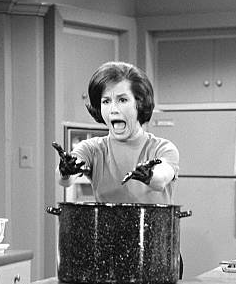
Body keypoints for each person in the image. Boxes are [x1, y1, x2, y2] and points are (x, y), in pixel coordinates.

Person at [56, 61, 179, 204]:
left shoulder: (163, 148)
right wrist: (65, 172)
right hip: (104, 226)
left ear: (139, 104)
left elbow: (161, 179)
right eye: (106, 101)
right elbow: (65, 181)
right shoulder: (92, 149)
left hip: (153, 226)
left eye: (122, 100)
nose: (113, 109)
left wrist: (149, 175)